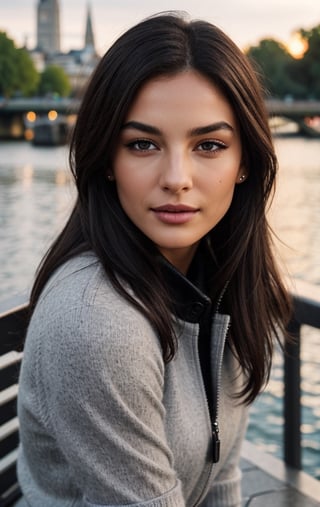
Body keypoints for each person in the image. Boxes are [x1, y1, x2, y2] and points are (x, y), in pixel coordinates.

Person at [15, 12, 292, 507]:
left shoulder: (219, 280)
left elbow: (222, 479)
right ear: (106, 159)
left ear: (245, 161)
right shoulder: (97, 324)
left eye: (209, 145)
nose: (177, 177)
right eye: (143, 144)